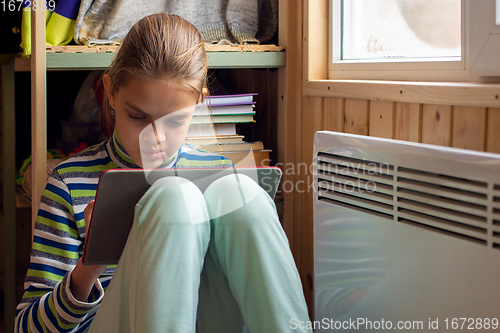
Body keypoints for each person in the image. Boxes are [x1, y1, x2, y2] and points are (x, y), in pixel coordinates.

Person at [14, 13, 311, 333]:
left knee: (240, 193)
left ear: (198, 103)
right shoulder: (68, 182)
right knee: (174, 195)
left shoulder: (219, 173)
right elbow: (27, 328)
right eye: (138, 117)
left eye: (173, 121)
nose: (154, 138)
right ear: (111, 92)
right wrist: (90, 265)